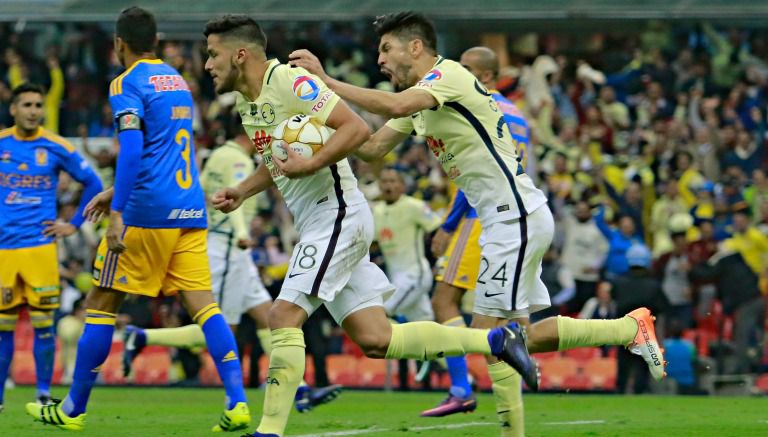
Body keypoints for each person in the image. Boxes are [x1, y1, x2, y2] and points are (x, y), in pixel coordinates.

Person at [289, 11, 666, 435]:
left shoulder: (447, 76)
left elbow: (393, 104)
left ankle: (521, 424)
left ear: (415, 47)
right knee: (515, 335)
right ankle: (628, 328)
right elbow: (373, 147)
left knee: (490, 338)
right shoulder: (419, 99)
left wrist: (327, 84)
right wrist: (325, 126)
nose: (380, 59)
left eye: (386, 48)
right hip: (506, 221)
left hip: (515, 217)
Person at [202, 15, 535, 437]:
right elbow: (280, 163)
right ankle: (493, 341)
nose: (207, 64)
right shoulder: (249, 105)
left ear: (240, 54)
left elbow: (355, 128)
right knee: (377, 340)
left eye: (213, 54)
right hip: (321, 221)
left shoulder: (288, 80)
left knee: (282, 315)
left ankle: (269, 431)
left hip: (336, 214)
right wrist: (244, 190)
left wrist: (313, 162)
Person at [26, 7, 250, 432]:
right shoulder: (176, 80)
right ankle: (237, 400)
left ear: (118, 45)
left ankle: (73, 410)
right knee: (205, 308)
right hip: (189, 207)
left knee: (102, 303)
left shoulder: (125, 82)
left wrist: (117, 211)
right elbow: (163, 151)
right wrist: (115, 191)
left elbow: (131, 150)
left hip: (146, 215)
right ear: (158, 42)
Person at [121, 130, 341, 412]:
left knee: (268, 318)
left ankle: (299, 390)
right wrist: (239, 233)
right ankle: (142, 336)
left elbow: (200, 191)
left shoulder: (217, 156)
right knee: (221, 329)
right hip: (227, 248)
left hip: (231, 251)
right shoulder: (239, 161)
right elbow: (235, 200)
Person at [422, 45, 534, 418]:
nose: (459, 74)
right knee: (512, 322)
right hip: (519, 216)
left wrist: (449, 224)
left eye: (467, 69)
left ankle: (460, 388)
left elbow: (480, 180)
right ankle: (511, 403)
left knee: (444, 301)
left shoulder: (480, 107)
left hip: (479, 216)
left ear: (486, 76)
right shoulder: (518, 115)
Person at [0, 83, 102, 413]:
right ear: (13, 109)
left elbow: (94, 183)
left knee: (45, 325)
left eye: (38, 105)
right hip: (3, 252)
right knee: (3, 328)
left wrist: (73, 224)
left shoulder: (55, 146)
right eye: (26, 104)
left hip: (41, 249)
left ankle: (43, 393)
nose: (33, 110)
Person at [373, 166, 442, 321]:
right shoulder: (377, 210)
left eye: (392, 181)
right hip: (395, 276)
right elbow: (375, 242)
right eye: (384, 181)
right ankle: (441, 345)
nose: (388, 186)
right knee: (425, 323)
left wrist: (441, 260)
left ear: (402, 185)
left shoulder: (415, 206)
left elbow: (438, 229)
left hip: (414, 275)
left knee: (383, 313)